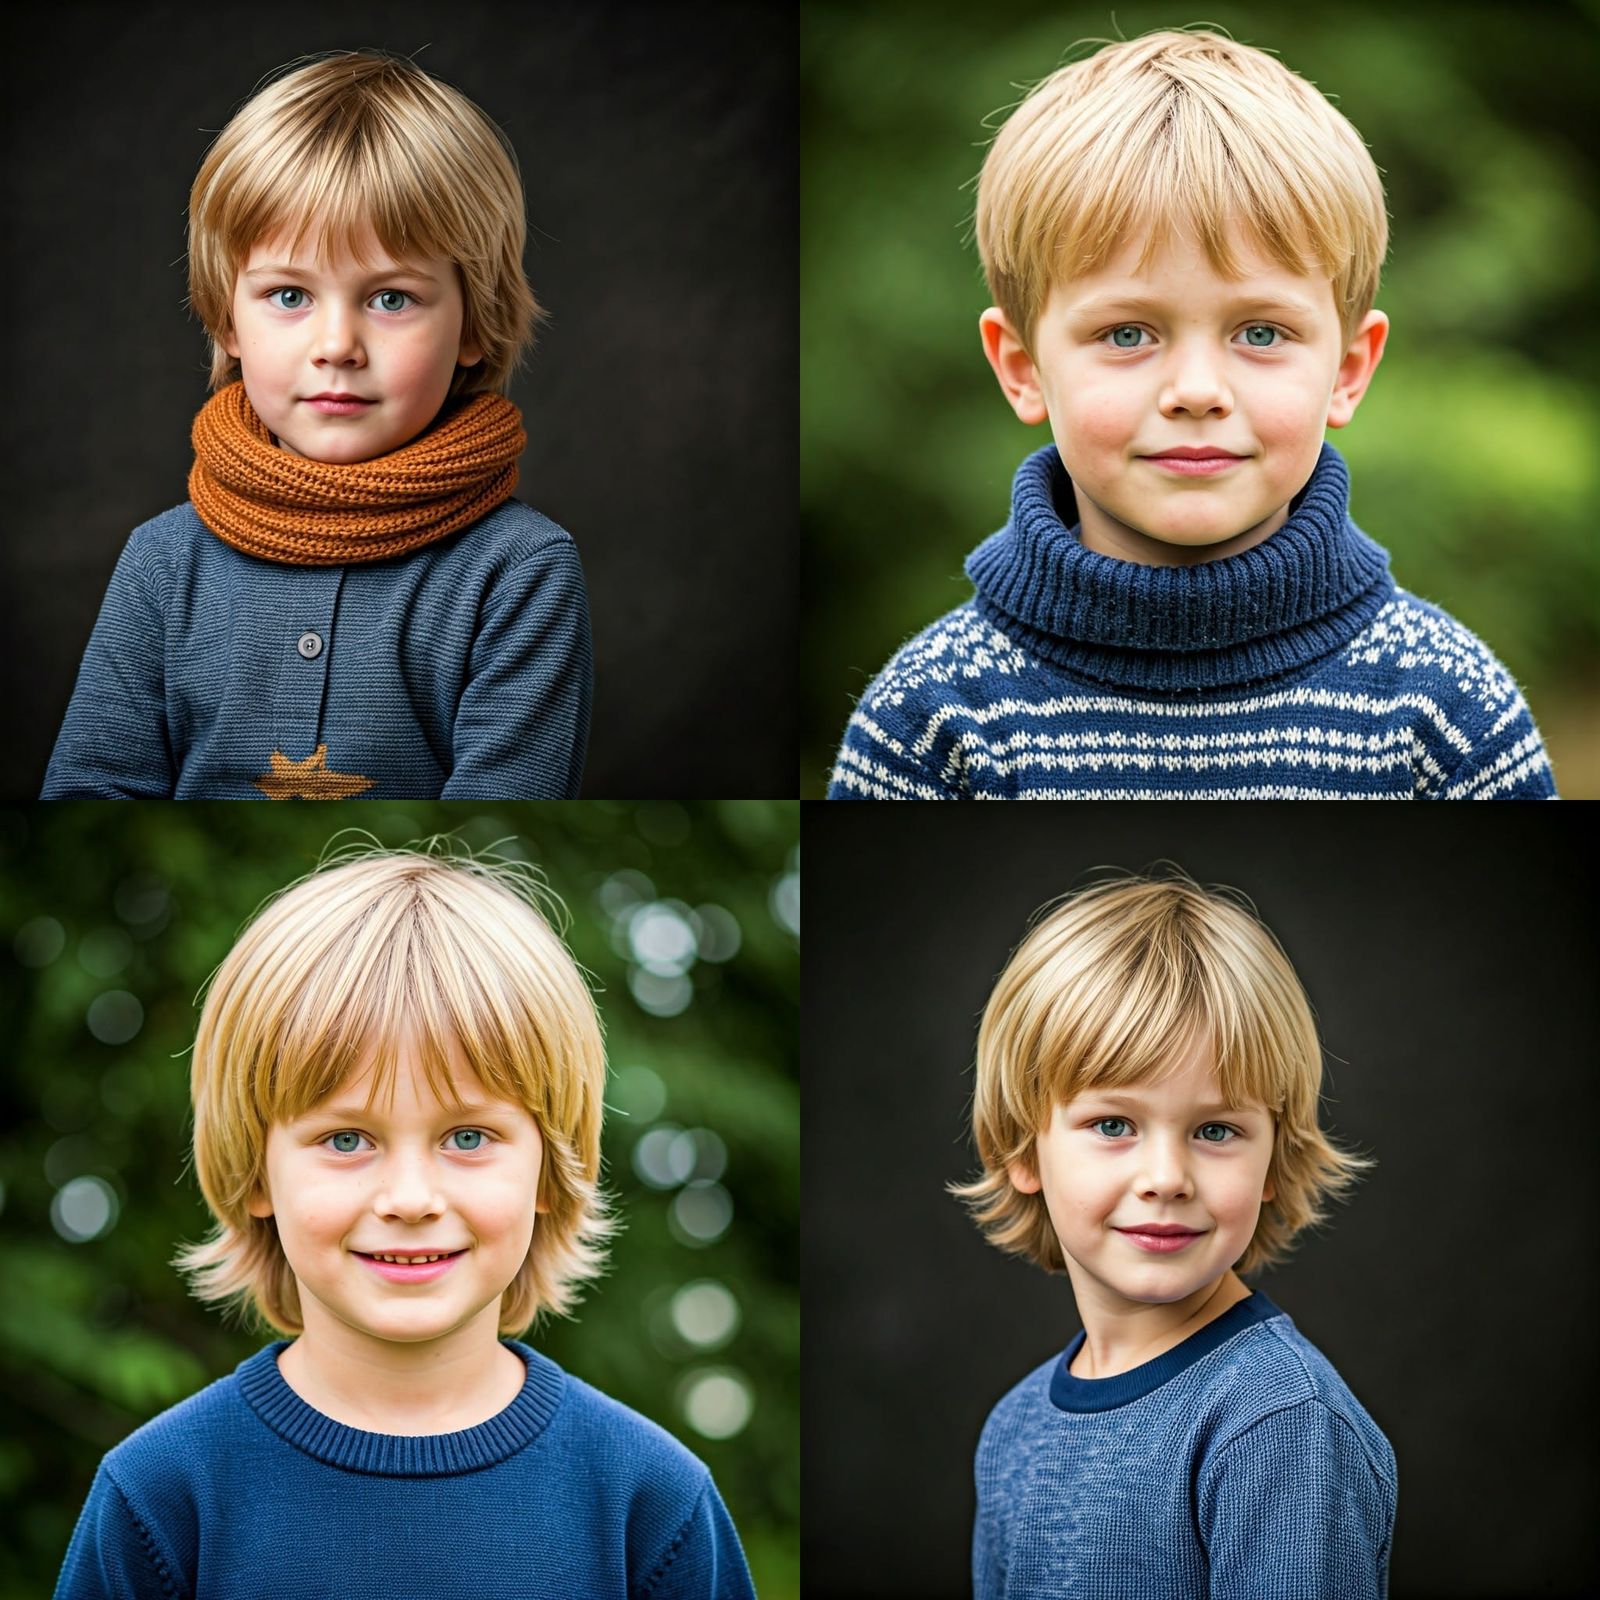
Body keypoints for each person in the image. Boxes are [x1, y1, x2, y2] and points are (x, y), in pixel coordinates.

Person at [828, 28, 1555, 799]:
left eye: (1261, 333)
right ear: (1023, 368)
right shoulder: (932, 713)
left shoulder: (1445, 706)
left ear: (1347, 369)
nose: (1198, 390)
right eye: (1128, 334)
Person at [54, 844, 755, 1599]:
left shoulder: (650, 1503)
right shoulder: (164, 1498)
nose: (412, 1197)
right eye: (347, 1140)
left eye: (468, 1138)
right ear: (257, 1170)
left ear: (549, 1168)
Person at [43, 51, 590, 799]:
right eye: (290, 295)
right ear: (226, 317)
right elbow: (91, 795)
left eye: (392, 299)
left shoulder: (520, 570)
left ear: (474, 326)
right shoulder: (163, 563)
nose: (337, 346)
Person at [951, 870, 1397, 1597]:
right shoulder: (1012, 1431)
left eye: (1216, 1130)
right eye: (1113, 1125)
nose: (1167, 1176)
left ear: (1273, 1162)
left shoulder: (1278, 1423)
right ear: (1024, 1150)